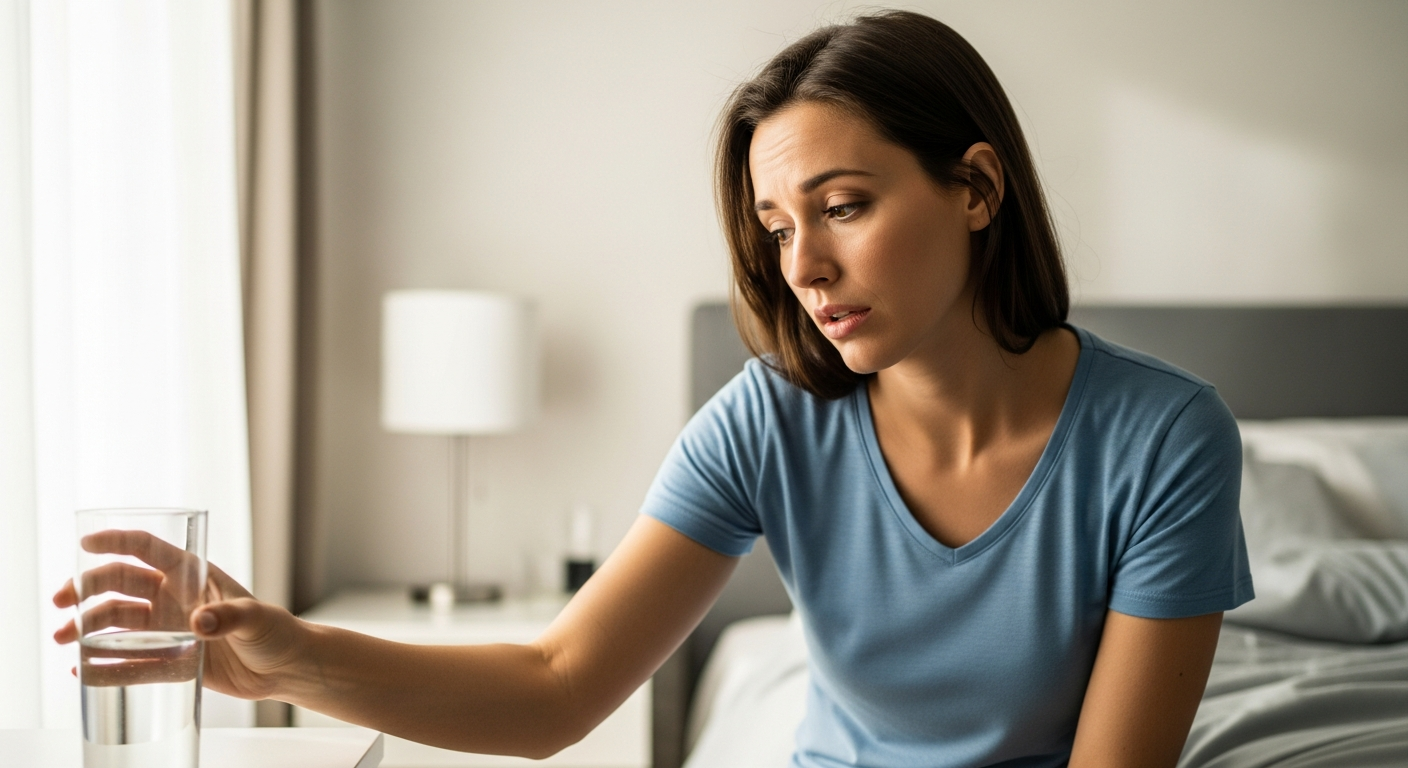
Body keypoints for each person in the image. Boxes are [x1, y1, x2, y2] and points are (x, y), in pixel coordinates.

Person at [54, 10, 1252, 767]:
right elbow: (553, 692)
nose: (804, 267)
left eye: (843, 206)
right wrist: (285, 653)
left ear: (976, 188)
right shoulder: (770, 420)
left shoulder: (1161, 437)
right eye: (778, 227)